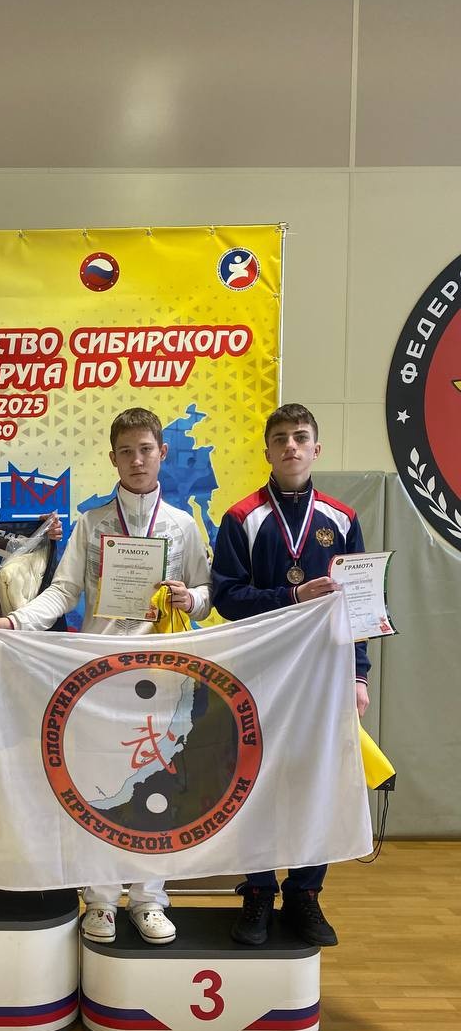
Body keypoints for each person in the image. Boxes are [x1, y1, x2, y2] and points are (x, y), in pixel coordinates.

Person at [0, 407, 211, 945]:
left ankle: (150, 897)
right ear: (112, 458)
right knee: (101, 789)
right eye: (126, 451)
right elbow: (64, 592)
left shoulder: (182, 525)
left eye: (146, 450)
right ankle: (101, 899)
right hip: (99, 678)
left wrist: (192, 598)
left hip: (164, 676)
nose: (137, 460)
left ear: (162, 454)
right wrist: (16, 621)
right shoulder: (92, 523)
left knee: (160, 783)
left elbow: (207, 592)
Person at [211, 402, 370, 948]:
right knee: (255, 781)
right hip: (257, 671)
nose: (291, 446)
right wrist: (294, 595)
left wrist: (359, 674)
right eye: (280, 438)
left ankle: (305, 893)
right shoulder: (241, 518)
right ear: (267, 451)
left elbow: (360, 604)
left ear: (316, 448)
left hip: (323, 674)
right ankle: (258, 891)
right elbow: (228, 599)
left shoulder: (342, 518)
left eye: (301, 437)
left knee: (314, 781)